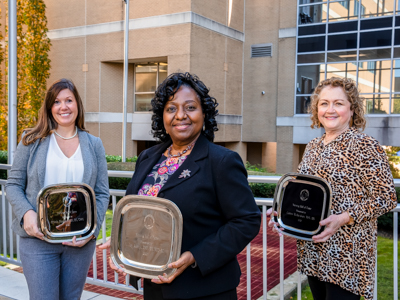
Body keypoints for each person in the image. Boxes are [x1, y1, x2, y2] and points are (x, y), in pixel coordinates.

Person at [100, 72, 261, 299]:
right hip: (155, 283)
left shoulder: (222, 161)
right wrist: (122, 240)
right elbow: (138, 211)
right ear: (162, 116)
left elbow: (247, 221)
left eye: (190, 107)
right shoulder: (148, 157)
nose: (180, 115)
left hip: (203, 288)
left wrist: (195, 256)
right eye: (171, 108)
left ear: (204, 113)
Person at [269, 77, 397, 300]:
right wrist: (282, 210)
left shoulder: (365, 145)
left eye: (338, 103)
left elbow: (386, 197)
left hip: (348, 254)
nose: (330, 110)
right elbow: (302, 190)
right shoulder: (313, 146)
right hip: (314, 249)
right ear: (316, 109)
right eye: (324, 103)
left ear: (352, 108)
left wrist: (343, 218)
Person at [6, 78, 110, 300]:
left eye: (69, 100)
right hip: (38, 241)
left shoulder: (94, 144)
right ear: (49, 107)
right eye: (57, 101)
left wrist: (92, 231)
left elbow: (101, 193)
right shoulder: (31, 140)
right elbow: (14, 184)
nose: (63, 106)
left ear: (77, 105)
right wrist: (27, 213)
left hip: (79, 241)